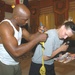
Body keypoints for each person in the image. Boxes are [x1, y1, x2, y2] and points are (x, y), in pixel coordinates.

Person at [0, 4, 47, 75]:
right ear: (16, 18)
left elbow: (30, 37)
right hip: (5, 64)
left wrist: (39, 32)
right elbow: (15, 52)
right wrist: (37, 39)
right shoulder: (5, 27)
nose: (27, 22)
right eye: (25, 19)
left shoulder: (20, 27)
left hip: (16, 62)